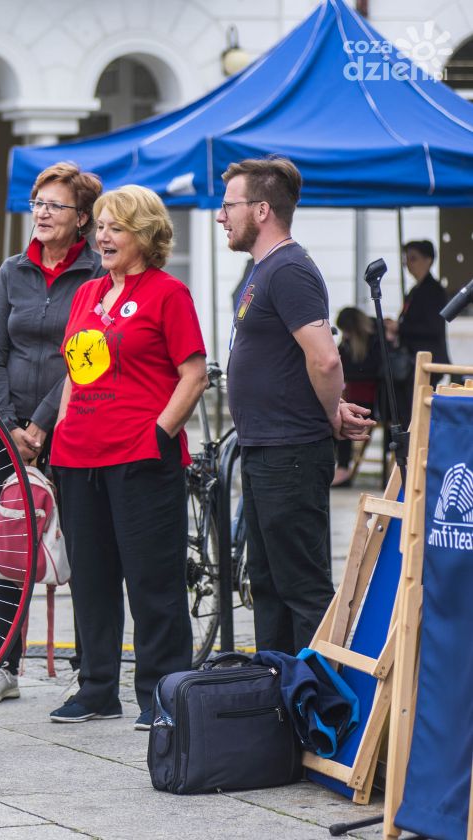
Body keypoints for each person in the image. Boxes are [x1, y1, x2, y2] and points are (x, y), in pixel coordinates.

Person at [47, 185, 208, 731]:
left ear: (145, 234)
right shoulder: (87, 293)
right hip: (79, 457)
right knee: (90, 579)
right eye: (100, 226)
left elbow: (194, 375)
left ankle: (162, 693)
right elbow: (76, 370)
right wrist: (63, 430)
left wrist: (160, 436)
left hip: (140, 457)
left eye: (116, 227)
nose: (103, 236)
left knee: (152, 580)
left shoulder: (168, 293)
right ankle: (96, 688)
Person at [218, 156, 373, 657]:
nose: (221, 217)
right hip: (267, 448)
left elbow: (325, 359)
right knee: (266, 582)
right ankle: (279, 698)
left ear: (262, 210)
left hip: (290, 451)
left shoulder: (289, 269)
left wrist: (330, 413)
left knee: (301, 587)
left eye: (229, 206)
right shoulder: (265, 270)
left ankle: (319, 710)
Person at [0, 161, 103, 704]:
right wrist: (10, 427)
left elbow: (87, 356)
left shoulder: (99, 273)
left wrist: (43, 425)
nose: (43, 214)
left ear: (82, 220)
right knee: (14, 549)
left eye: (56, 206)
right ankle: (1, 665)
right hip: (12, 433)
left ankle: (89, 665)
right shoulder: (13, 271)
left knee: (81, 546)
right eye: (39, 204)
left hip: (74, 425)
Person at [386, 239, 451, 425]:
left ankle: (417, 446)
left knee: (418, 411)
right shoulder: (415, 290)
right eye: (406, 259)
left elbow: (433, 327)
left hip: (425, 358)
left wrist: (400, 328)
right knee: (407, 409)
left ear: (428, 260)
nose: (408, 264)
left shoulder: (433, 290)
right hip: (412, 360)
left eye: (413, 258)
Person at [332, 307, 381, 488]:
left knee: (342, 417)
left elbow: (367, 370)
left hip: (371, 402)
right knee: (338, 414)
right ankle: (341, 467)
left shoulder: (373, 342)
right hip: (355, 397)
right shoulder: (348, 344)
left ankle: (343, 467)